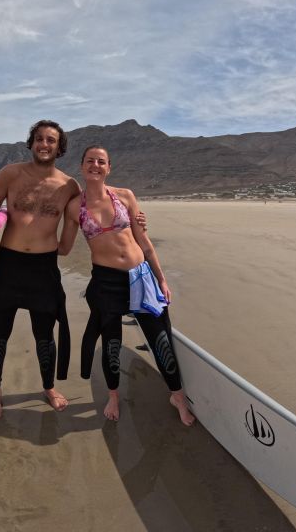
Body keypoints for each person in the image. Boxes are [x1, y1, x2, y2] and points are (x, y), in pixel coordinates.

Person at [59, 145, 195, 425]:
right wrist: (26, 234)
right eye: (90, 161)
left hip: (140, 277)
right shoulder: (75, 207)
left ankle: (177, 396)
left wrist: (161, 278)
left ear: (109, 168)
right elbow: (64, 246)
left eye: (101, 161)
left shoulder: (125, 196)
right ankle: (113, 396)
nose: (95, 165)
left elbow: (144, 241)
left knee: (160, 340)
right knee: (111, 343)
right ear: (82, 167)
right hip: (106, 283)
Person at [0, 120, 80, 418]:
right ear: (31, 143)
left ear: (60, 148)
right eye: (39, 139)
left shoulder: (69, 185)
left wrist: (66, 242)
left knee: (45, 336)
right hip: (7, 267)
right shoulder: (10, 174)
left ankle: (48, 387)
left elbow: (76, 221)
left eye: (51, 140)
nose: (44, 145)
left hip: (43, 271)